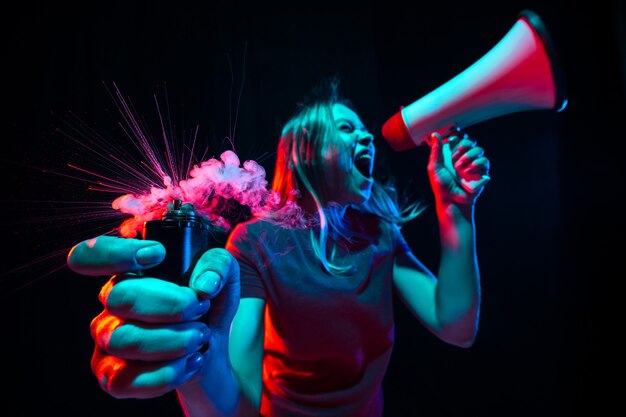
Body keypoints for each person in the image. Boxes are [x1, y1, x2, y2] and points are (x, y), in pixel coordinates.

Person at [67, 78, 491, 417]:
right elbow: (239, 406)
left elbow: (455, 326)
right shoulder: (255, 241)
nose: (367, 139)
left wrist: (456, 211)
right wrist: (196, 361)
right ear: (303, 149)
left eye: (365, 131)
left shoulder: (378, 232)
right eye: (346, 128)